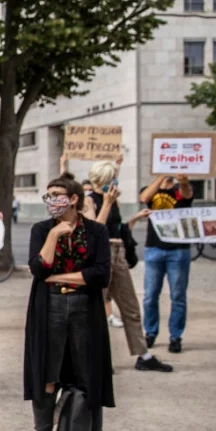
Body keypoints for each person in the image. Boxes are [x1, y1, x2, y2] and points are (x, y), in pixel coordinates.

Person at [25, 174, 113, 431]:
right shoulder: (42, 230)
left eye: (57, 195)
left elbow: (101, 275)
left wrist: (60, 277)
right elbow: (38, 268)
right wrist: (54, 236)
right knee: (48, 374)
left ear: (74, 199)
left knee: (91, 373)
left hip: (85, 307)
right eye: (48, 196)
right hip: (49, 307)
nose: (51, 200)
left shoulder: (97, 232)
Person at [86, 159, 172, 372]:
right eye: (111, 178)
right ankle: (97, 358)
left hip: (118, 253)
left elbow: (118, 228)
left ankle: (143, 355)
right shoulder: (90, 201)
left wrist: (134, 218)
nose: (115, 181)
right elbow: (94, 230)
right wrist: (106, 202)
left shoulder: (114, 199)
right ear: (102, 180)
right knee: (96, 309)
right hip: (101, 255)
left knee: (131, 307)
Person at [139, 174, 194, 353]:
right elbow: (145, 197)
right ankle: (150, 332)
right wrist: (161, 175)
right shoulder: (152, 189)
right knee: (150, 296)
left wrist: (182, 181)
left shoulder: (181, 188)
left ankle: (175, 336)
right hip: (154, 248)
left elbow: (187, 195)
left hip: (179, 249)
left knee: (178, 296)